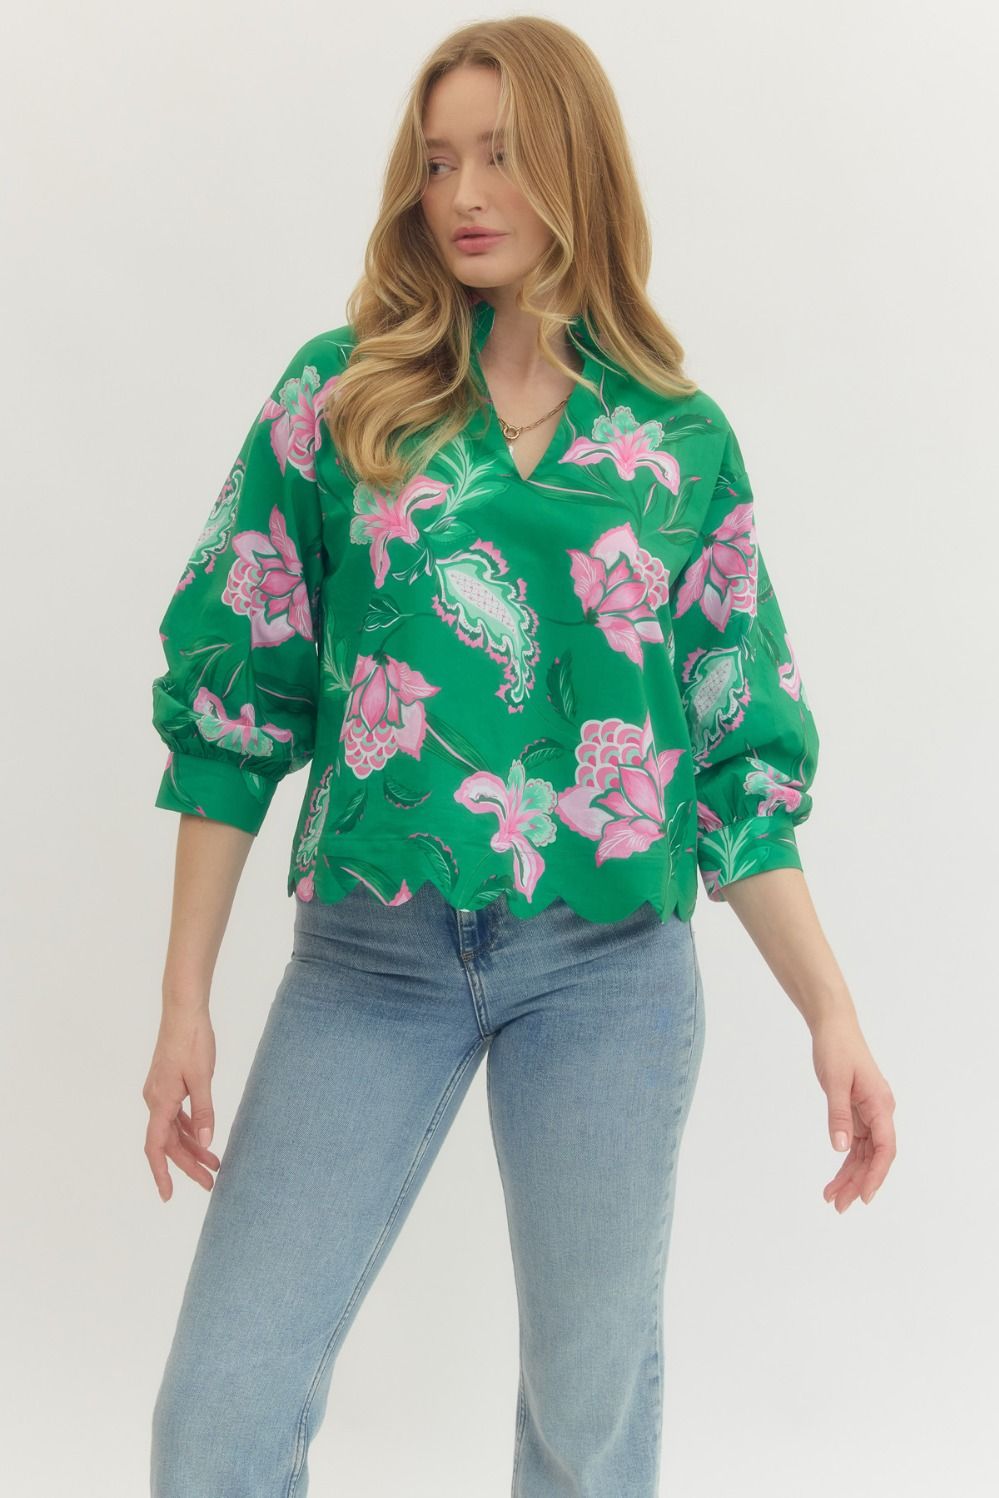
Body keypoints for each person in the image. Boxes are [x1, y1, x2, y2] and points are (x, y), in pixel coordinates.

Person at [145, 16, 897, 1497]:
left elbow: (739, 763)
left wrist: (835, 1014)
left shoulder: (679, 445)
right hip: (372, 959)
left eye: (501, 155)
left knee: (586, 1405)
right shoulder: (340, 397)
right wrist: (183, 999)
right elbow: (237, 698)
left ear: (576, 169)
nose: (465, 192)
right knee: (216, 1411)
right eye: (438, 162)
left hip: (608, 965)